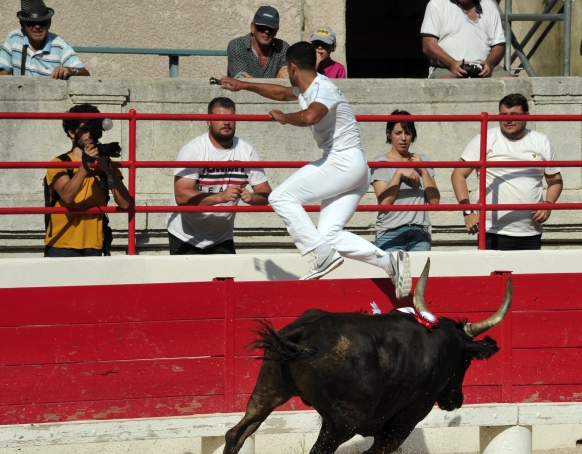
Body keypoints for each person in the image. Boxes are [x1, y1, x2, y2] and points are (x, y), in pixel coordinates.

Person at [219, 42, 412, 298]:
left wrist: (285, 118)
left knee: (280, 197)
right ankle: (389, 262)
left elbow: (311, 116)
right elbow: (280, 93)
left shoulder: (324, 89)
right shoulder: (307, 86)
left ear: (292, 67)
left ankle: (321, 255)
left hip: (343, 162)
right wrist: (244, 85)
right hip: (353, 167)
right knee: (329, 234)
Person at [451, 93, 563, 250]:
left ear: (526, 116)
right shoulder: (486, 138)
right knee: (492, 274)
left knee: (528, 275)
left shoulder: (540, 141)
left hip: (531, 232)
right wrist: (468, 212)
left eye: (514, 115)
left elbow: (555, 180)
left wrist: (548, 204)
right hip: (492, 232)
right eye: (503, 115)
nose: (508, 119)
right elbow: (458, 175)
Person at [166, 97, 272, 255]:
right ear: (208, 121)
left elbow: (267, 194)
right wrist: (220, 197)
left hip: (222, 237)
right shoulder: (194, 150)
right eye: (220, 118)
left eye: (231, 118)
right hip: (185, 235)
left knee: (226, 279)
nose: (227, 122)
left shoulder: (246, 151)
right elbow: (182, 196)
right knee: (190, 280)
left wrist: (253, 198)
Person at [44, 104, 130, 257]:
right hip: (61, 245)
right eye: (85, 129)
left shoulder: (105, 163)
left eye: (94, 128)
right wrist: (86, 165)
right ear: (72, 133)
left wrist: (108, 170)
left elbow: (125, 203)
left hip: (94, 245)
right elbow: (68, 197)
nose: (90, 134)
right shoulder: (59, 164)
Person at [371, 111, 440, 252]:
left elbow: (434, 201)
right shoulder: (380, 162)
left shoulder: (423, 160)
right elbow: (384, 203)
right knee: (391, 275)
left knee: (420, 274)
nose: (403, 138)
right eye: (398, 133)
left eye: (407, 133)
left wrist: (424, 170)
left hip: (420, 233)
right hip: (390, 233)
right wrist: (399, 172)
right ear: (388, 134)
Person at [0, 0, 89, 79]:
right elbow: (2, 74)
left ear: (49, 23)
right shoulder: (14, 38)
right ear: (22, 24)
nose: (37, 26)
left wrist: (71, 70)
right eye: (31, 22)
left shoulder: (60, 45)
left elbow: (85, 74)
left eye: (42, 21)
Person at [421, 0, 512, 79]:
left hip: (485, 70)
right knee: (448, 84)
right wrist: (452, 63)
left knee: (513, 83)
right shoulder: (437, 4)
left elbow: (499, 44)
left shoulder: (489, 5)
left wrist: (490, 63)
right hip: (446, 68)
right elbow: (428, 44)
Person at [226, 6, 289, 79]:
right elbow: (242, 84)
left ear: (276, 31)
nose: (266, 31)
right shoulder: (237, 46)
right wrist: (277, 80)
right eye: (261, 27)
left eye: (271, 28)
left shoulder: (283, 48)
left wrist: (253, 83)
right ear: (252, 28)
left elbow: (287, 80)